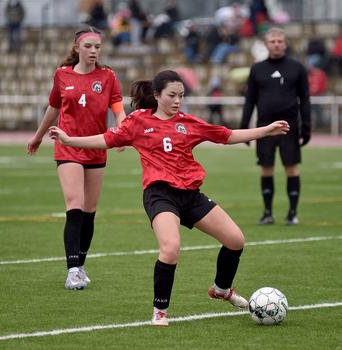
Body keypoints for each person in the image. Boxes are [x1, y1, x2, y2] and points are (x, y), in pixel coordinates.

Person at [48, 69, 289, 325]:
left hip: (191, 195)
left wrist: (265, 130)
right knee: (171, 249)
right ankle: (160, 311)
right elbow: (107, 139)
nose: (177, 101)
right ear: (157, 95)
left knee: (236, 240)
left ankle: (221, 289)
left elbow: (226, 136)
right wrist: (69, 139)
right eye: (172, 95)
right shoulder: (138, 121)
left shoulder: (188, 122)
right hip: (160, 195)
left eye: (181, 96)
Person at [27, 27, 126, 290]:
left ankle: (81, 265)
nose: (94, 51)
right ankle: (71, 270)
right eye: (89, 46)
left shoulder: (108, 76)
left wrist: (122, 131)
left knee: (89, 212)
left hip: (96, 147)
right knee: (74, 204)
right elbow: (54, 107)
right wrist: (37, 136)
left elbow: (117, 108)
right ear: (77, 48)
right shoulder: (62, 75)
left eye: (97, 47)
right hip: (67, 147)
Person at [240, 27, 311, 225]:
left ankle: (292, 213)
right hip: (264, 127)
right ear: (266, 44)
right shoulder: (257, 69)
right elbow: (250, 100)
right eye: (273, 41)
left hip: (290, 126)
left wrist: (307, 127)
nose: (276, 44)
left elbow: (304, 99)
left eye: (280, 41)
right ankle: (267, 213)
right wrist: (245, 127)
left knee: (292, 168)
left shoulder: (297, 68)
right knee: (266, 168)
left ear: (286, 44)